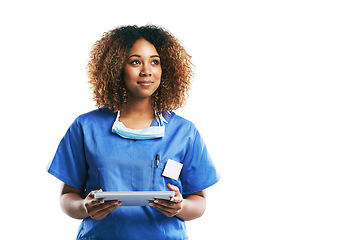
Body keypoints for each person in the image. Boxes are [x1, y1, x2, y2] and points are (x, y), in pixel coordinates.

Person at [47, 25, 220, 239]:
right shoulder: (85, 127)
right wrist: (85, 206)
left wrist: (180, 206)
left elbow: (199, 202)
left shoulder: (184, 132)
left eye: (154, 62)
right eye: (135, 62)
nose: (146, 70)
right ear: (117, 67)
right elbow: (67, 197)